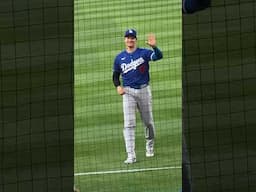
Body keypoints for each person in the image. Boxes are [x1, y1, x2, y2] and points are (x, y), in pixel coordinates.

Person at [112, 29, 163, 164]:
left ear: (136, 39)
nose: (130, 40)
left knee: (148, 122)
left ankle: (150, 145)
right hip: (128, 93)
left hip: (144, 90)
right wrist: (118, 86)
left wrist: (154, 47)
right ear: (124, 40)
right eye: (128, 38)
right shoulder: (119, 58)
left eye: (132, 38)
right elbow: (115, 75)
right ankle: (131, 155)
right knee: (129, 124)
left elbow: (159, 56)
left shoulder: (144, 53)